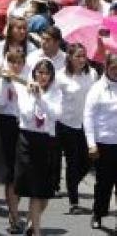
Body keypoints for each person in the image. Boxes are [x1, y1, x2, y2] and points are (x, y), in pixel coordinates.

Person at [14, 59, 62, 236]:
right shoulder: (24, 89)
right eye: (39, 72)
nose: (42, 76)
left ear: (51, 76)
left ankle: (31, 222)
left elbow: (55, 114)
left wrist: (40, 98)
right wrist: (33, 96)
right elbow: (26, 115)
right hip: (28, 140)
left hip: (47, 142)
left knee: (45, 193)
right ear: (34, 73)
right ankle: (36, 231)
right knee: (34, 190)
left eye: (46, 73)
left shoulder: (55, 92)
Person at [56, 43, 98, 215]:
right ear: (70, 57)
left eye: (84, 56)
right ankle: (74, 201)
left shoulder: (93, 74)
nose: (82, 59)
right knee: (72, 163)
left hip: (87, 125)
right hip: (67, 124)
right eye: (78, 56)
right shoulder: (61, 76)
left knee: (88, 161)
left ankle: (72, 183)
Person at [83, 52, 117, 231]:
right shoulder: (97, 89)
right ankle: (98, 213)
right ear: (106, 67)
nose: (116, 71)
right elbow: (88, 116)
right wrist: (91, 143)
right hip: (103, 144)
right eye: (113, 68)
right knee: (104, 183)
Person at [0, 50, 26, 233]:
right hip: (5, 125)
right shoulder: (1, 78)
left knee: (19, 175)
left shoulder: (27, 78)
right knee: (9, 176)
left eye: (19, 61)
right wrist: (6, 82)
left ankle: (14, 213)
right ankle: (14, 216)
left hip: (22, 127)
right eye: (12, 62)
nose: (16, 65)